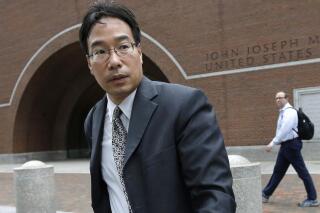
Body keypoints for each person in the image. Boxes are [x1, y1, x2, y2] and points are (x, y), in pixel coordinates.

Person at [79, 2, 236, 213]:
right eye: (100, 51)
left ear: (140, 52)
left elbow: (215, 197)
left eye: (124, 47)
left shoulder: (185, 106)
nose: (114, 61)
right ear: (90, 63)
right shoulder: (94, 119)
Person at [262, 91, 319, 207]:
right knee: (278, 171)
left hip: (291, 146)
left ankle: (312, 198)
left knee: (302, 172)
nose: (278, 100)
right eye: (276, 98)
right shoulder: (283, 112)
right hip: (286, 146)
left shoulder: (290, 112)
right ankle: (266, 193)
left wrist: (272, 143)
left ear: (287, 98)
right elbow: (281, 130)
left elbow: (285, 129)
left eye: (280, 98)